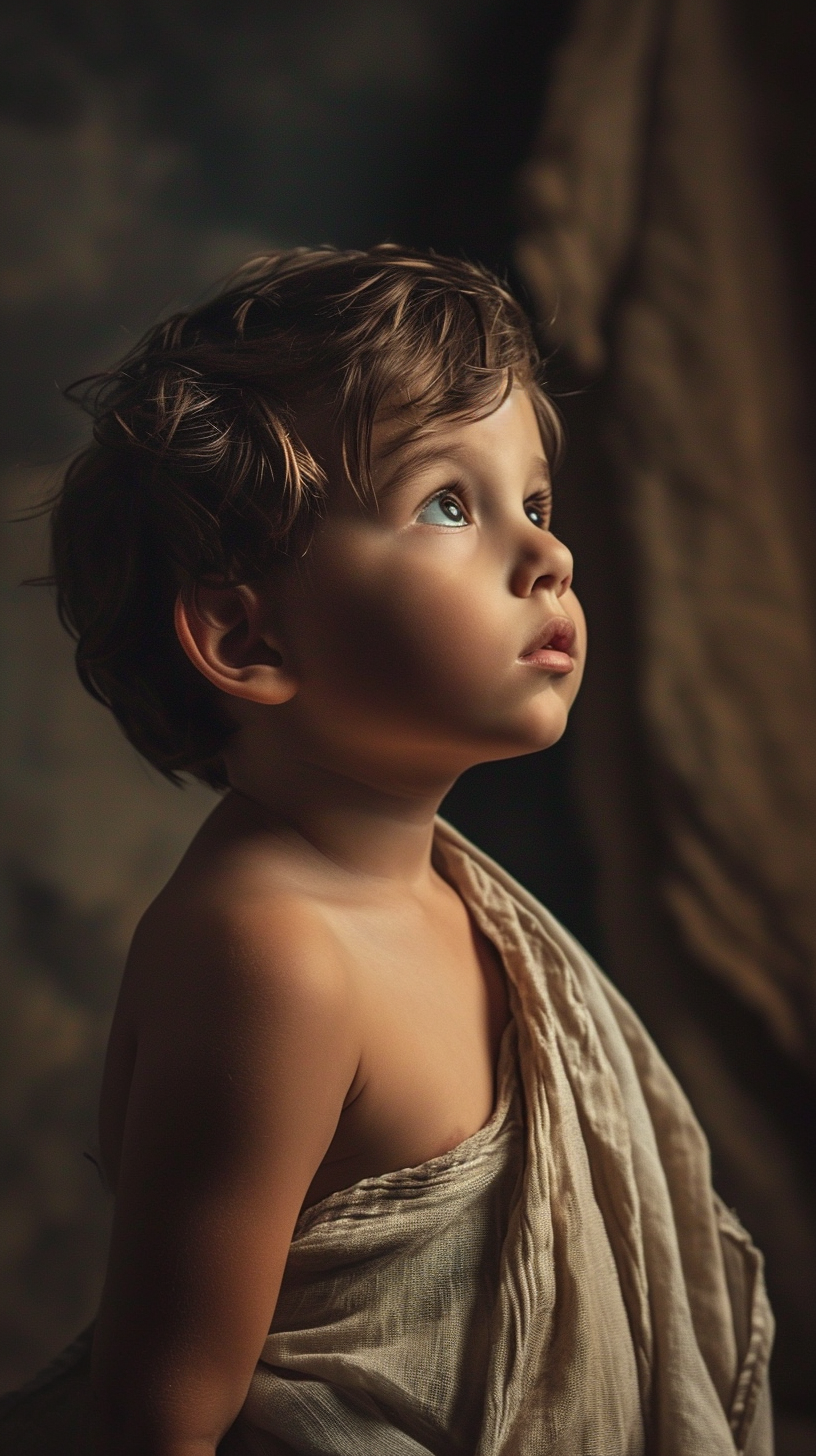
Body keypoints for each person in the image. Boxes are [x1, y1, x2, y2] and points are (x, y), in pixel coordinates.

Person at [3, 247, 772, 1455]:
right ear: (245, 637)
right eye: (447, 505)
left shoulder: (449, 892)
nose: (547, 557)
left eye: (534, 503)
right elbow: (160, 1417)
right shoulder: (272, 955)